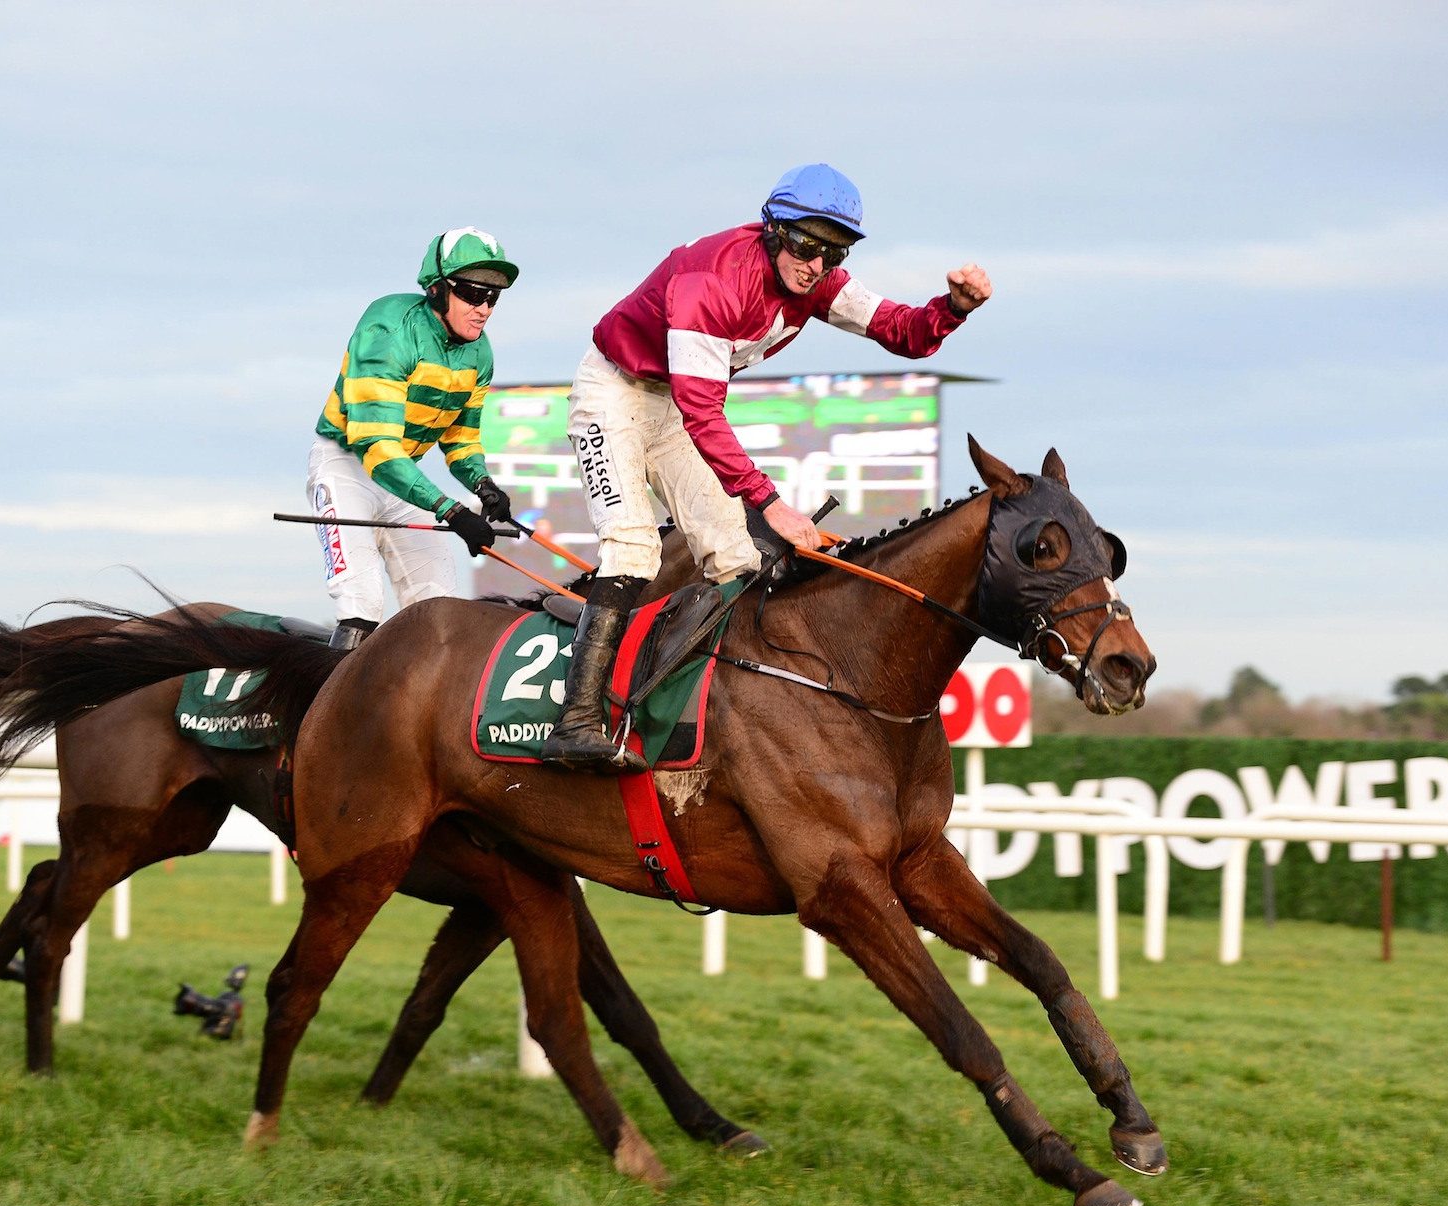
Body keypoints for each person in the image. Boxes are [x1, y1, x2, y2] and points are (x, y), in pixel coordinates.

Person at [542, 164, 993, 772]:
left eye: (833, 252)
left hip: (673, 403)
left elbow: (901, 330)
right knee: (633, 550)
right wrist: (770, 503)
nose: (817, 264)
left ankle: (698, 711)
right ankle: (575, 722)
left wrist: (952, 309)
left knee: (737, 559)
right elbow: (703, 411)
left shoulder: (820, 282)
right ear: (774, 231)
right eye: (806, 244)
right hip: (613, 393)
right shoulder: (714, 282)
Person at [308, 228, 521, 651]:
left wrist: (483, 485)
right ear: (438, 290)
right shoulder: (388, 329)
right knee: (361, 607)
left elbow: (460, 440)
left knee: (439, 613)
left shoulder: (480, 354)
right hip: (348, 466)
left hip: (405, 475)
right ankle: (323, 716)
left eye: (493, 297)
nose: (484, 309)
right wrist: (453, 511)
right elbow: (378, 450)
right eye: (473, 294)